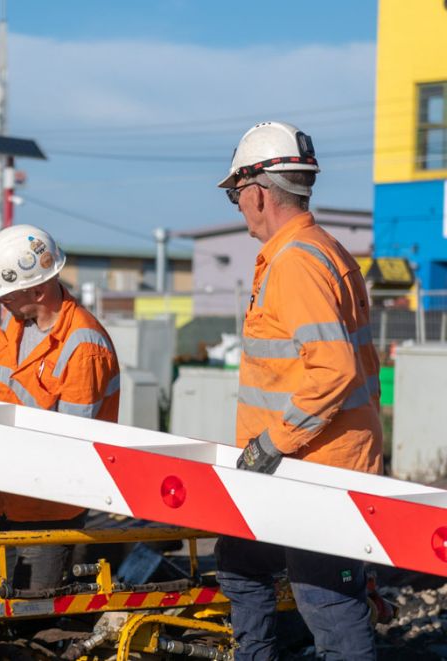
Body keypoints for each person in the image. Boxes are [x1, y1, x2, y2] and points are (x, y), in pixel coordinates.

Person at [215, 121, 383, 660]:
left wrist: (276, 441)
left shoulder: (296, 265)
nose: (239, 208)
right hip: (290, 463)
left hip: (315, 465)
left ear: (260, 193)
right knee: (240, 563)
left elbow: (331, 369)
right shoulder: (317, 251)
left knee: (328, 604)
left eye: (238, 195)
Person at [0, 224, 120, 591]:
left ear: (38, 291)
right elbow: (7, 363)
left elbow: (73, 441)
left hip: (51, 506)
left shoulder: (83, 347)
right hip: (9, 494)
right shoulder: (19, 316)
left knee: (37, 609)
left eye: (6, 296)